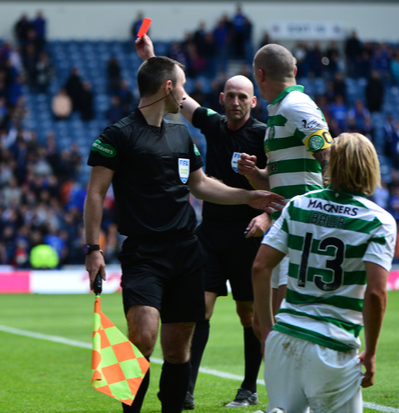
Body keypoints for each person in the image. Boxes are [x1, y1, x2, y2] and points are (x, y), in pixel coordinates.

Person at [84, 35, 284, 413]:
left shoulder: (181, 134)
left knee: (178, 349)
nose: (187, 96)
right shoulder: (118, 135)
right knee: (142, 337)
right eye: (183, 87)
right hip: (143, 252)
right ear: (169, 87)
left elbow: (202, 184)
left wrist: (250, 196)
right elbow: (95, 194)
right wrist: (92, 249)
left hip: (187, 252)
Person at [134, 34, 267, 409]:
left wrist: (266, 213)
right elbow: (173, 90)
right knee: (198, 308)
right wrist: (150, 55)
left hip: (248, 235)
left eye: (244, 96)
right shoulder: (213, 124)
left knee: (248, 315)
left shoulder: (265, 137)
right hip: (209, 234)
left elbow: (281, 184)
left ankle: (248, 387)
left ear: (254, 102)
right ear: (222, 99)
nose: (237, 101)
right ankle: (186, 388)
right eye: (231, 95)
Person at [252, 133, 396, 413]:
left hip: (284, 338)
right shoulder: (378, 220)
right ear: (371, 166)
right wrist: (372, 352)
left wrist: (267, 330)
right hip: (333, 346)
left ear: (331, 164)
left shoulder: (298, 205)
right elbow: (376, 294)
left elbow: (260, 266)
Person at [238, 43, 332, 314]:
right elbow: (280, 180)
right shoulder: (280, 111)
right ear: (294, 70)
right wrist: (256, 174)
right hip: (286, 226)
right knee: (267, 323)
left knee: (285, 323)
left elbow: (328, 154)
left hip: (303, 228)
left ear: (260, 75)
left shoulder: (295, 105)